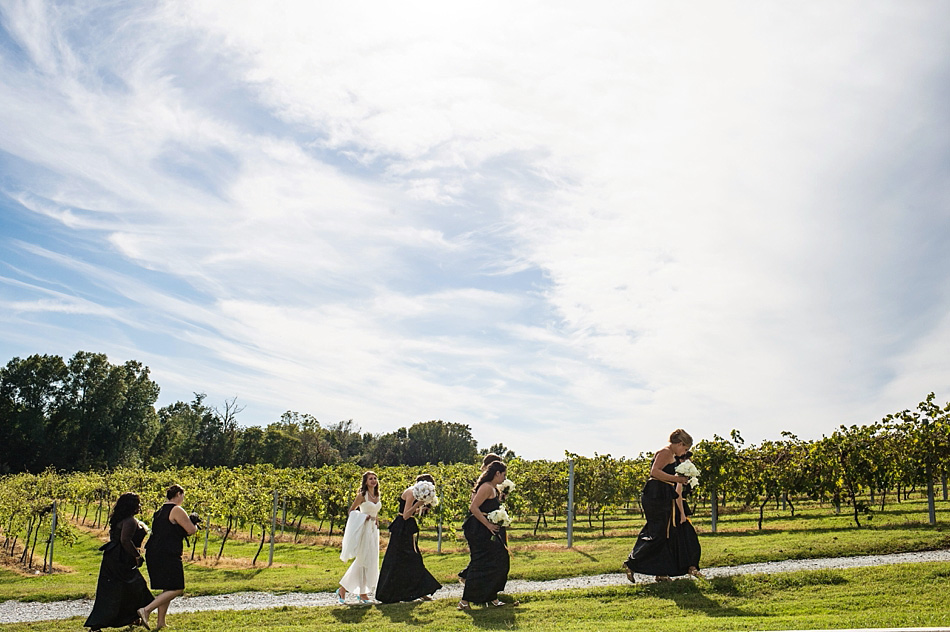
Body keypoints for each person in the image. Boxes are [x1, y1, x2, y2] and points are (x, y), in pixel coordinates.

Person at [623, 429, 694, 583]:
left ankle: (661, 572)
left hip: (662, 494)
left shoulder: (671, 455)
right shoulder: (665, 452)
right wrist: (677, 479)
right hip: (655, 495)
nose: (684, 452)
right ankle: (632, 563)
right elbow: (654, 472)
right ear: (680, 443)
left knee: (663, 532)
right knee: (658, 533)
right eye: (685, 448)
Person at [84, 493, 153, 631]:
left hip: (113, 557)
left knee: (118, 591)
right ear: (131, 506)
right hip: (121, 559)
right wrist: (137, 556)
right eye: (138, 503)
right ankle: (132, 616)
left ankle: (131, 618)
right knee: (137, 587)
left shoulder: (120, 520)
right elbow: (125, 541)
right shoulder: (130, 521)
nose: (140, 506)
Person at [375, 474, 443, 603]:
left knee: (410, 559)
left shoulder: (414, 493)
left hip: (406, 527)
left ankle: (419, 591)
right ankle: (412, 591)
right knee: (407, 559)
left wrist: (421, 508)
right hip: (402, 527)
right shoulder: (411, 493)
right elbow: (406, 515)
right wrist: (419, 504)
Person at [139, 484, 199, 630]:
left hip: (154, 552)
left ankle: (161, 623)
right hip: (167, 553)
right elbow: (191, 530)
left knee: (168, 588)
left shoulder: (159, 511)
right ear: (178, 494)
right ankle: (146, 610)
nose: (183, 499)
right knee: (177, 588)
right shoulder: (176, 509)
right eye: (183, 496)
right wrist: (195, 523)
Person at [457, 460, 512, 609]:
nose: (505, 478)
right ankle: (464, 601)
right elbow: (473, 507)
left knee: (497, 561)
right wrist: (488, 524)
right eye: (504, 475)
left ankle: (491, 596)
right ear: (497, 473)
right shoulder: (486, 487)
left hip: (488, 530)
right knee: (481, 564)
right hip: (479, 530)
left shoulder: (494, 488)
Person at [336, 471, 381, 604]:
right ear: (365, 481)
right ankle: (361, 593)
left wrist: (376, 519)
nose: (373, 480)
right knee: (363, 559)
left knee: (371, 560)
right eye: (370, 479)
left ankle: (346, 589)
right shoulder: (362, 495)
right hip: (364, 528)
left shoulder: (377, 495)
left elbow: (375, 510)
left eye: (375, 478)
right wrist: (363, 517)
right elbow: (351, 511)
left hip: (373, 530)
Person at [458, 453, 502, 584]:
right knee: (481, 557)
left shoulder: (492, 484)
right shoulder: (485, 484)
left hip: (486, 523)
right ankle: (469, 580)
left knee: (486, 556)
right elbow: (474, 505)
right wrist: (488, 521)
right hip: (478, 524)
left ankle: (478, 583)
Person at [670, 450, 702, 577]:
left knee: (680, 538)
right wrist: (682, 514)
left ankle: (689, 567)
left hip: (677, 508)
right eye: (687, 458)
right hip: (678, 509)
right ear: (681, 460)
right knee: (690, 539)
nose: (690, 461)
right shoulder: (679, 474)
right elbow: (677, 495)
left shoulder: (680, 474)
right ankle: (691, 566)